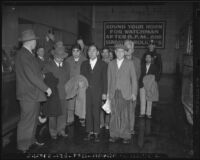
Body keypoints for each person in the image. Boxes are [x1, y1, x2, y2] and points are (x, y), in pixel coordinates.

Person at [15, 29, 52, 153]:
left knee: (33, 120)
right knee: (26, 121)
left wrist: (40, 75)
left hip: (33, 94)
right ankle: (23, 146)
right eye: (35, 40)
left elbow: (33, 72)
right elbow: (30, 75)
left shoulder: (28, 54)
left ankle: (30, 141)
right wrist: (46, 88)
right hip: (28, 95)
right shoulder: (23, 55)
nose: (36, 42)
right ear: (30, 41)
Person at [107, 43, 137, 144]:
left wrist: (134, 93)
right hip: (114, 92)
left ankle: (125, 135)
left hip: (126, 93)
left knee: (125, 114)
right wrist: (107, 93)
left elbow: (134, 79)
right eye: (117, 51)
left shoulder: (130, 63)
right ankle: (114, 134)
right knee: (114, 114)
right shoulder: (111, 64)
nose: (119, 53)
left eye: (121, 51)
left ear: (124, 53)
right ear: (115, 52)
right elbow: (109, 79)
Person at [80, 44, 107, 142]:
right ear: (87, 53)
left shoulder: (103, 64)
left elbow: (105, 79)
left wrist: (104, 92)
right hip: (86, 92)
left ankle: (96, 132)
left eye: (93, 50)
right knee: (88, 112)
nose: (91, 52)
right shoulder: (83, 64)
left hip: (98, 92)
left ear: (97, 53)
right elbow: (81, 79)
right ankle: (89, 132)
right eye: (89, 51)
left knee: (96, 112)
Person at [43, 42, 70, 139]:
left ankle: (61, 130)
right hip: (53, 95)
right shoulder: (48, 66)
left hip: (64, 93)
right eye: (58, 57)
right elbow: (44, 80)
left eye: (62, 57)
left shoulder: (67, 65)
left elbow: (69, 79)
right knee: (53, 114)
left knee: (63, 113)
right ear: (54, 56)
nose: (60, 58)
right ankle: (53, 132)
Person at [66, 44, 87, 126]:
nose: (75, 53)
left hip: (81, 85)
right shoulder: (67, 60)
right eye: (73, 51)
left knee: (81, 102)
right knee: (70, 102)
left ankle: (82, 119)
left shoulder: (84, 60)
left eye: (77, 51)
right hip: (71, 83)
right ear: (71, 52)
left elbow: (86, 73)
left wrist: (84, 82)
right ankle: (70, 119)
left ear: (80, 51)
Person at [124, 40, 141, 135]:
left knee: (131, 110)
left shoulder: (137, 61)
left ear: (133, 50)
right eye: (125, 48)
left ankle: (130, 128)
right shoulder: (120, 60)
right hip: (121, 90)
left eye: (129, 48)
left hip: (132, 90)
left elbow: (137, 76)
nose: (127, 50)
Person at [139, 53, 159, 119]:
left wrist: (152, 82)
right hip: (142, 85)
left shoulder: (154, 67)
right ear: (145, 59)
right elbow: (139, 75)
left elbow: (157, 77)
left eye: (149, 57)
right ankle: (142, 113)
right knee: (142, 99)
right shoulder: (141, 66)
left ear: (151, 58)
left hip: (150, 86)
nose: (148, 58)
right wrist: (141, 83)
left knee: (149, 99)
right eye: (146, 57)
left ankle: (148, 113)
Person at [100, 47, 110, 130]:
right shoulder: (98, 63)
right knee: (101, 105)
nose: (105, 54)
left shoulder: (112, 63)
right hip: (100, 87)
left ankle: (107, 123)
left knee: (108, 106)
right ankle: (101, 122)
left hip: (109, 87)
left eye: (107, 52)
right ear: (101, 54)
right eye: (103, 52)